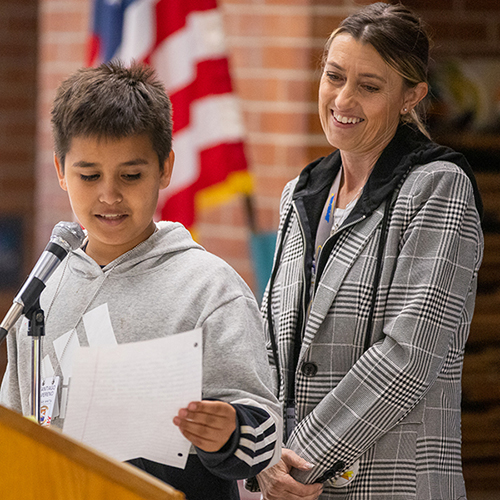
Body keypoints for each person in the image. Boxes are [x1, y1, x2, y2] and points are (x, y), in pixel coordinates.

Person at [0, 61, 282, 500]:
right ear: (60, 169)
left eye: (131, 175)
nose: (109, 195)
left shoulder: (208, 289)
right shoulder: (41, 292)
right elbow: (14, 432)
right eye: (89, 175)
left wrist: (228, 432)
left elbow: (264, 432)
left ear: (165, 168)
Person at [252, 3, 484, 500]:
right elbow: (269, 343)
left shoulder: (438, 188)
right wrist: (264, 454)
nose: (343, 99)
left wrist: (301, 459)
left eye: (370, 86)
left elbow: (409, 354)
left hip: (392, 482)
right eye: (334, 77)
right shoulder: (300, 193)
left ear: (411, 97)